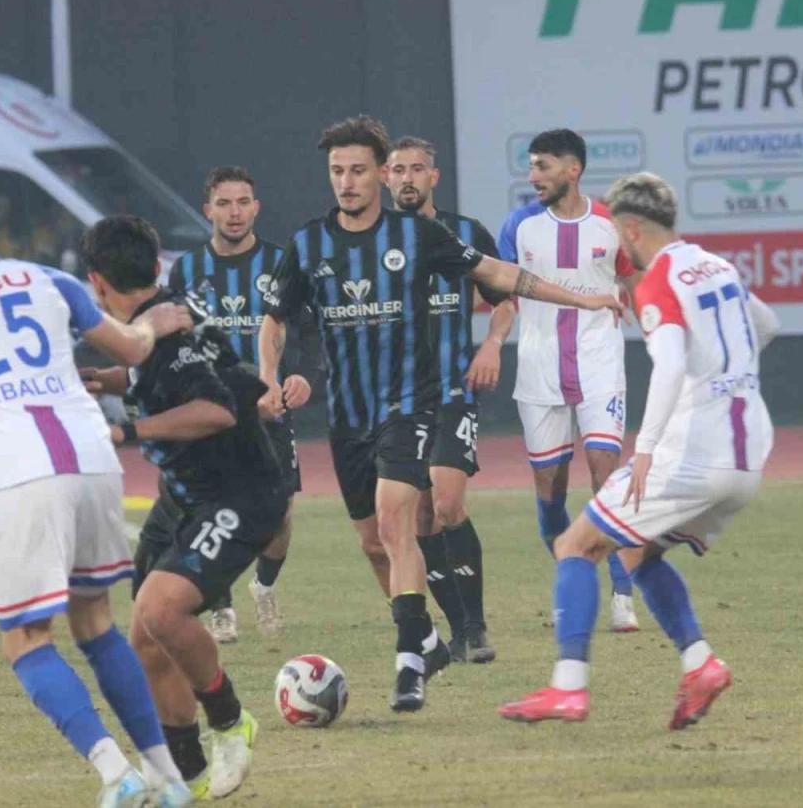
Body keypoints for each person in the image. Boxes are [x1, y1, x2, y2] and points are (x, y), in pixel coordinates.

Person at [257, 115, 622, 712]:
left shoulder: (418, 235)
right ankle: (427, 639)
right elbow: (274, 320)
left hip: (411, 404)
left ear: (378, 174)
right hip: (348, 417)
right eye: (337, 171)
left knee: (400, 520)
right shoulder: (307, 244)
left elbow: (498, 275)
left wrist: (582, 298)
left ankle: (410, 665)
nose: (346, 181)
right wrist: (268, 378)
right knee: (374, 544)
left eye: (356, 170)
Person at [0, 181, 196, 808]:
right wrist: (156, 322)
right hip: (91, 456)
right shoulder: (48, 280)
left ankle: (116, 774)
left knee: (26, 639)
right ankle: (167, 777)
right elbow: (132, 348)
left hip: (16, 473)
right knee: (97, 622)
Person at [498, 172, 781, 728]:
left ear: (630, 229)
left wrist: (647, 448)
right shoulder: (717, 266)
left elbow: (670, 366)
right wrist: (728, 377)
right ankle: (700, 664)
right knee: (634, 553)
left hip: (695, 452)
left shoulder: (657, 280)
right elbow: (767, 325)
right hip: (749, 452)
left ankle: (567, 687)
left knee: (575, 545)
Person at [79, 215, 278, 800]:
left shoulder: (164, 333)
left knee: (161, 610)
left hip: (238, 494)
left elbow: (216, 408)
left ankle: (231, 722)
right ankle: (183, 774)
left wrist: (129, 431)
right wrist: (108, 380)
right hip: (185, 497)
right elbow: (163, 375)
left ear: (97, 281)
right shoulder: (162, 315)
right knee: (146, 636)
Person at [496, 128, 642, 633]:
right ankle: (573, 581)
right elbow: (501, 290)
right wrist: (492, 340)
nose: (533, 175)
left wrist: (660, 329)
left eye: (542, 166)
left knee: (605, 476)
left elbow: (633, 279)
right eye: (531, 166)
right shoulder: (518, 226)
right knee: (550, 491)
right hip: (540, 370)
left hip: (600, 364)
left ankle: (622, 594)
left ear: (572, 170)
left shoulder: (609, 224)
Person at [167, 166, 312, 643]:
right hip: (209, 410)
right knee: (206, 507)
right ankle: (219, 605)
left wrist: (301, 374)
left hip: (268, 407)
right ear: (208, 210)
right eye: (224, 203)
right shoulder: (186, 270)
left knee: (280, 514)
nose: (235, 213)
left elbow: (307, 327)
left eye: (243, 202)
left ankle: (263, 587)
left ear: (257, 208)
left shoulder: (281, 262)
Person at [385, 135, 513, 664]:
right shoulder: (372, 242)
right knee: (419, 519)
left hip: (453, 390)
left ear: (433, 177)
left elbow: (504, 297)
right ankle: (459, 631)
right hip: (397, 397)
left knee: (447, 503)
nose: (408, 178)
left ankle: (477, 627)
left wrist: (492, 344)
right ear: (386, 177)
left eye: (418, 168)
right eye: (399, 170)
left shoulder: (466, 233)